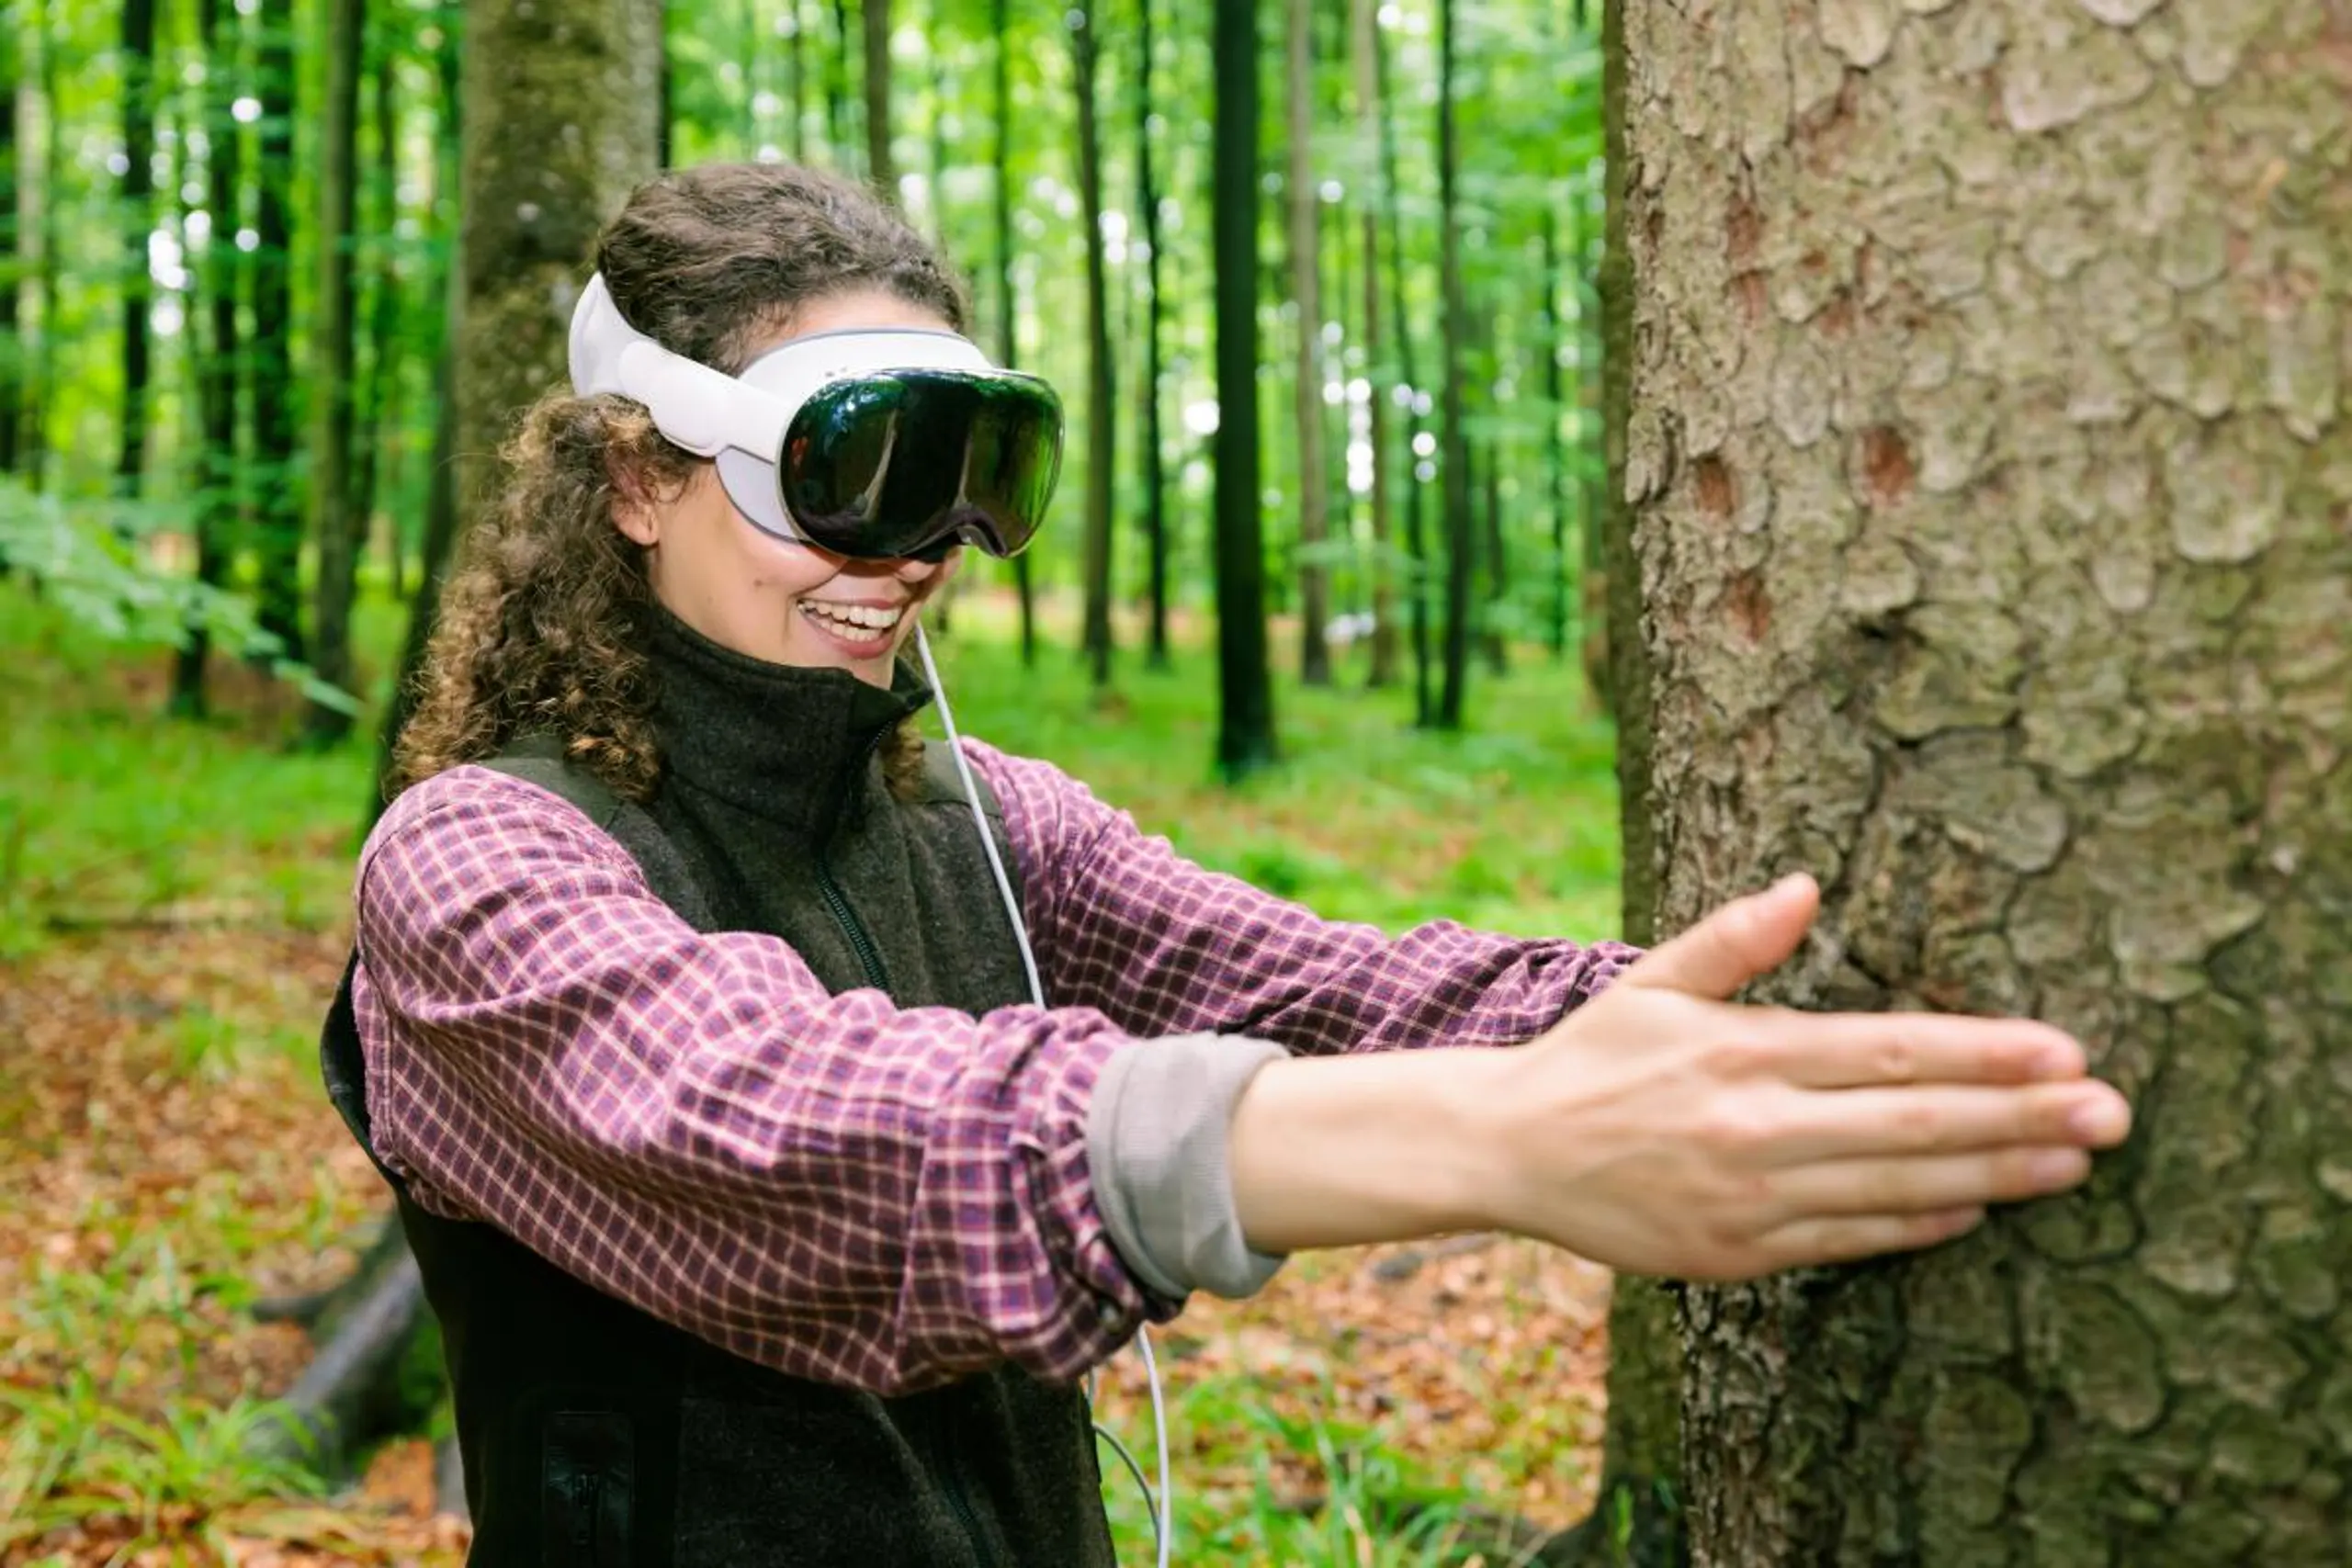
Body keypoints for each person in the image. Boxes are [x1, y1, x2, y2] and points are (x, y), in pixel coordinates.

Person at [330, 162, 2132, 1568]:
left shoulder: (985, 817)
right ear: (640, 477)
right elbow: (806, 1136)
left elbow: (1331, 983)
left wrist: (1680, 1012)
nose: (926, 548)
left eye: (979, 473)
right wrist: (1501, 1147)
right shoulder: (475, 868)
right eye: (857, 468)